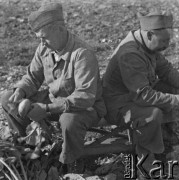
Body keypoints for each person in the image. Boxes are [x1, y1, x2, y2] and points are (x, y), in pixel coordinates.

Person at [1, 2, 106, 169]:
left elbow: (85, 97)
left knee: (68, 119)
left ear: (60, 29)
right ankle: (28, 146)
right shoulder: (44, 48)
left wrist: (47, 108)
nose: (42, 43)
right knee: (7, 98)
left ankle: (70, 162)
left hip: (86, 108)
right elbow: (33, 77)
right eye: (39, 39)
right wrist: (21, 90)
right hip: (53, 100)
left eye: (44, 37)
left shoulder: (82, 54)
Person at [102, 9, 179, 172]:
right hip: (119, 104)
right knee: (152, 114)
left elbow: (165, 70)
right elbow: (143, 95)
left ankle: (172, 139)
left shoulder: (146, 43)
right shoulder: (130, 54)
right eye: (164, 41)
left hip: (136, 94)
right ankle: (146, 160)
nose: (166, 46)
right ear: (149, 35)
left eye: (168, 41)